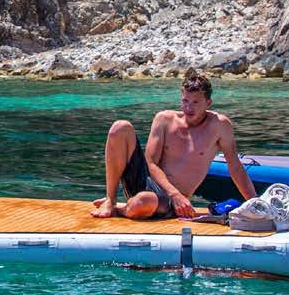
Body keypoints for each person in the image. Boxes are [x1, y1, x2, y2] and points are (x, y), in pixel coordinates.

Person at [91, 75, 256, 220]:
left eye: (195, 102)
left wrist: (254, 202)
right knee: (120, 127)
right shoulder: (164, 120)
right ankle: (110, 200)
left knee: (144, 201)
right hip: (149, 183)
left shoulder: (220, 126)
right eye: (185, 101)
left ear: (208, 103)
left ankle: (121, 209)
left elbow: (235, 167)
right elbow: (150, 163)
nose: (188, 108)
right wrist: (173, 192)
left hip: (170, 202)